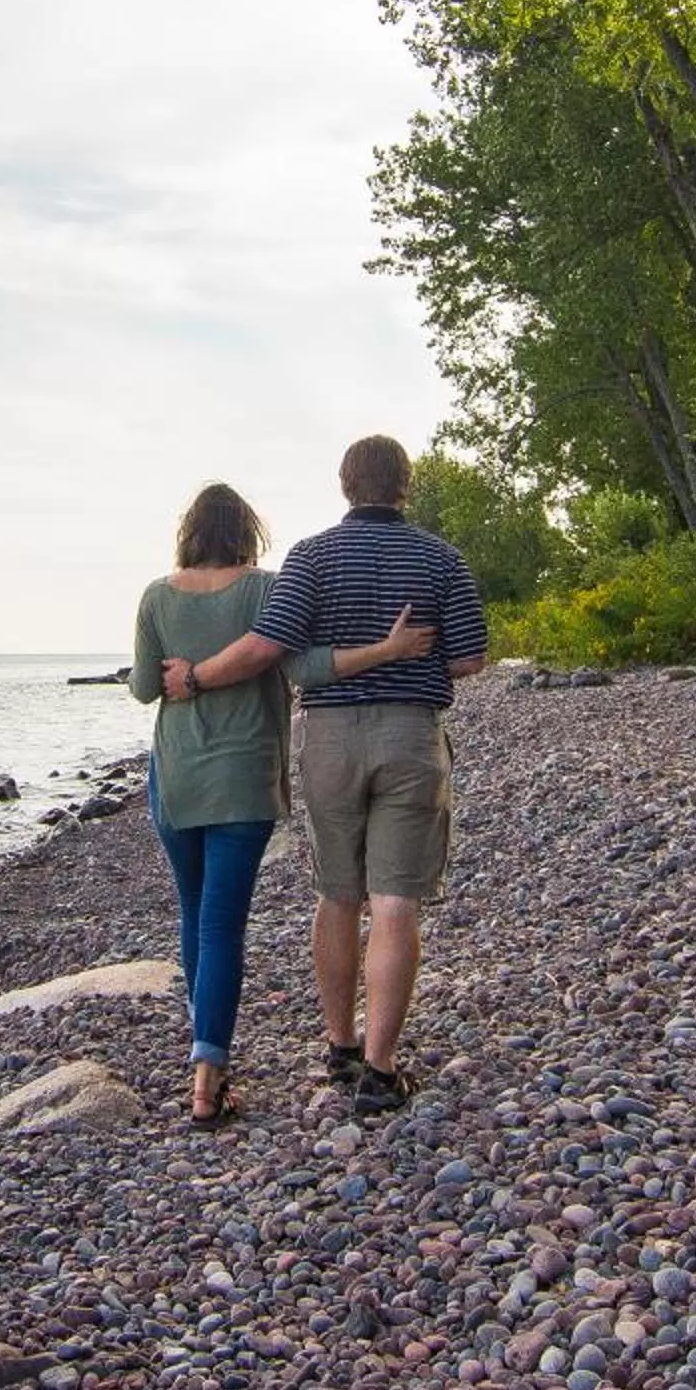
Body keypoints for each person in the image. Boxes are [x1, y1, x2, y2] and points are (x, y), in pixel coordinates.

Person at [163, 435, 486, 1117]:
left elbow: (268, 649)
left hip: (331, 739)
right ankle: (380, 1068)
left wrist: (192, 677)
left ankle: (339, 1044)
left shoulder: (309, 558)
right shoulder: (441, 557)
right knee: (395, 901)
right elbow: (468, 659)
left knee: (338, 895)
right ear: (407, 485)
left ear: (345, 485)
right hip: (411, 733)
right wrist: (403, 655)